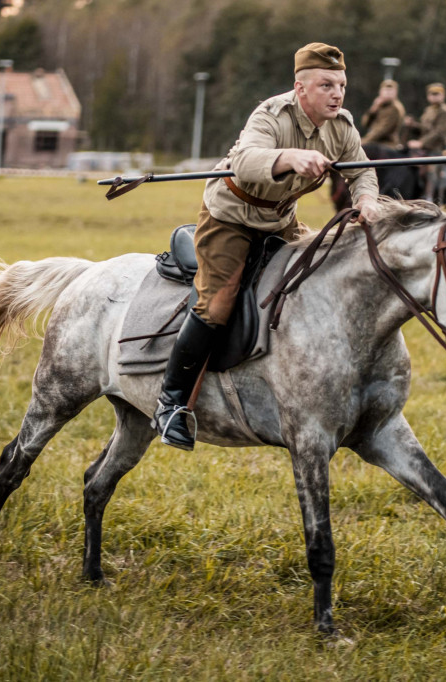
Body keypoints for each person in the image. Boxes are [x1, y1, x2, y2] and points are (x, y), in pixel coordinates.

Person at [152, 42, 383, 450]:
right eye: (326, 85)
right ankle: (170, 403)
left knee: (316, 275)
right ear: (300, 88)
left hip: (280, 219)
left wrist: (366, 200)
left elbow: (362, 171)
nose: (337, 94)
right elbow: (245, 161)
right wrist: (289, 157)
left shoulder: (342, 127)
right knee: (218, 300)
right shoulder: (270, 116)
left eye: (342, 85)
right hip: (231, 216)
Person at [408, 82, 446, 201]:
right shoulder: (428, 109)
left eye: (437, 94)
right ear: (428, 96)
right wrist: (413, 125)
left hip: (437, 147)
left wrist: (421, 143)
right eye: (432, 94)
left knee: (431, 171)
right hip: (425, 148)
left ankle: (430, 197)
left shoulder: (445, 111)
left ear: (443, 95)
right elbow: (424, 129)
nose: (434, 96)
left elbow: (439, 132)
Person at [360, 79, 406, 148]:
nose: (388, 93)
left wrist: (364, 141)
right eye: (386, 90)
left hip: (387, 144)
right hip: (375, 142)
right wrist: (372, 111)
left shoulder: (395, 108)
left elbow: (382, 131)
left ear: (396, 93)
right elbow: (365, 124)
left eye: (391, 90)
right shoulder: (379, 106)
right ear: (380, 92)